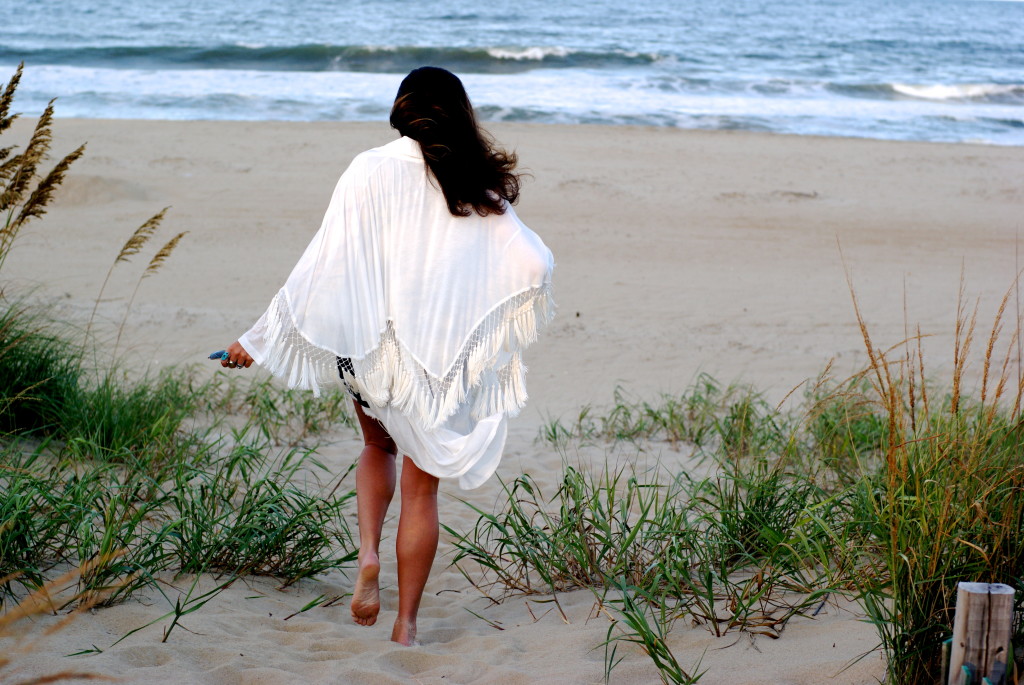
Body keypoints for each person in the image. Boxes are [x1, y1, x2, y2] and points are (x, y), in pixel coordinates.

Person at [219, 66, 554, 646]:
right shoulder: (477, 188)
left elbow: (323, 263)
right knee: (422, 491)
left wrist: (258, 338)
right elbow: (534, 263)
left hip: (370, 354)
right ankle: (406, 627)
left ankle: (368, 553)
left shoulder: (366, 169)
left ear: (402, 107)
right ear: (461, 113)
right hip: (435, 367)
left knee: (377, 446)